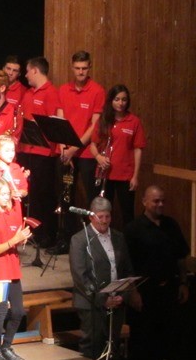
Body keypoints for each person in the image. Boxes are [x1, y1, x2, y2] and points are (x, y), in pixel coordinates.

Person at [125, 186, 190, 360]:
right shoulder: (133, 229)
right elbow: (126, 265)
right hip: (145, 292)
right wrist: (133, 292)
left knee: (170, 338)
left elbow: (180, 257)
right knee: (144, 341)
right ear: (144, 202)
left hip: (169, 291)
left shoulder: (171, 225)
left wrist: (184, 282)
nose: (160, 204)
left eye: (163, 200)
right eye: (156, 201)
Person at [68, 196, 133, 360]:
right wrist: (102, 299)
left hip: (116, 302)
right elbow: (80, 276)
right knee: (93, 346)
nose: (104, 221)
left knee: (113, 345)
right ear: (91, 217)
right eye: (100, 216)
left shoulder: (118, 237)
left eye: (107, 216)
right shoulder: (80, 240)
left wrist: (122, 296)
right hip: (91, 303)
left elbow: (126, 269)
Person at [0, 177, 31, 360]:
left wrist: (21, 238)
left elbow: (14, 238)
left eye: (8, 194)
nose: (7, 197)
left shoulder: (11, 214)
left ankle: (7, 346)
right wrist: (13, 240)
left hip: (13, 268)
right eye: (3, 194)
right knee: (1, 310)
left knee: (18, 311)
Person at [17, 57, 63, 248]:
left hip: (44, 152)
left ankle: (48, 234)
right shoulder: (28, 93)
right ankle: (34, 233)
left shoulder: (51, 92)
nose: (26, 75)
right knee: (32, 194)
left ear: (35, 70)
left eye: (27, 71)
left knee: (45, 194)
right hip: (26, 149)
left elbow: (55, 122)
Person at [90, 84, 145, 225]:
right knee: (103, 213)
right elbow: (93, 145)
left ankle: (128, 239)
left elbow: (138, 149)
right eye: (117, 99)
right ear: (111, 101)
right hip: (105, 174)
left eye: (124, 100)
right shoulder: (103, 120)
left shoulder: (134, 121)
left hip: (125, 175)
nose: (121, 103)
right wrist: (99, 157)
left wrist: (135, 176)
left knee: (127, 212)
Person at [59, 50, 106, 208]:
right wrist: (64, 149)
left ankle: (91, 224)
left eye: (84, 68)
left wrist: (73, 149)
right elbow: (60, 121)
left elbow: (95, 125)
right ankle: (67, 224)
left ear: (89, 67)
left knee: (91, 197)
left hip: (86, 153)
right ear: (72, 67)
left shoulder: (97, 91)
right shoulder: (63, 89)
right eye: (77, 68)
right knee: (65, 197)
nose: (80, 72)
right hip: (66, 152)